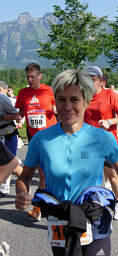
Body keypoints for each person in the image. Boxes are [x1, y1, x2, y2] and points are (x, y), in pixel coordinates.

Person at [15, 69, 118, 256]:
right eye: (61, 99)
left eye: (74, 100)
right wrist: (22, 194)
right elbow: (24, 177)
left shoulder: (102, 138)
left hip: (94, 220)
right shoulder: (41, 140)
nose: (67, 106)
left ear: (86, 101)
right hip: (60, 221)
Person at [84, 66, 118, 221]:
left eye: (93, 79)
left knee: (112, 176)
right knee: (91, 176)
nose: (89, 82)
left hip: (107, 143)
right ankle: (98, 203)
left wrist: (110, 121)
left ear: (102, 81)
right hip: (89, 145)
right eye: (87, 79)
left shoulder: (111, 94)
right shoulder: (85, 96)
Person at [15, 63, 57, 220]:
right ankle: (41, 205)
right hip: (33, 138)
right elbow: (20, 111)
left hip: (50, 137)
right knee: (39, 173)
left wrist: (57, 110)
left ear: (40, 76)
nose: (30, 79)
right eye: (27, 76)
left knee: (44, 174)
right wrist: (19, 119)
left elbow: (60, 108)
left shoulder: (49, 91)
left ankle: (40, 207)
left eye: (33, 76)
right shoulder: (23, 93)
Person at [0, 81, 23, 194]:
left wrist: (2, 117)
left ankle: (22, 184)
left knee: (11, 164)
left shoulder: (2, 99)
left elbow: (17, 115)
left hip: (8, 133)